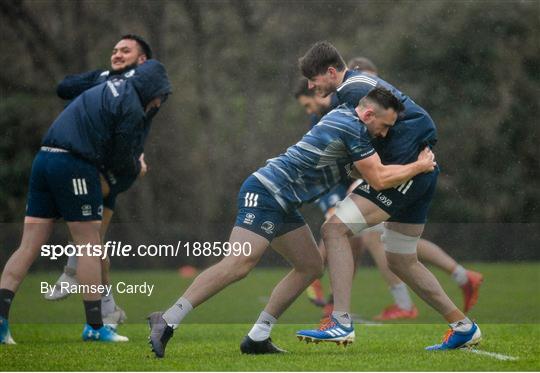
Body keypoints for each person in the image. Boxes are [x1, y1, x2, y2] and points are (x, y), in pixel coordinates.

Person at [147, 86, 435, 358]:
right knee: (239, 263)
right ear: (369, 115)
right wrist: (420, 166)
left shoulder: (349, 122)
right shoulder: (351, 127)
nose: (385, 134)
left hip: (284, 202)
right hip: (265, 193)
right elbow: (378, 178)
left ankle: (258, 336)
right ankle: (168, 319)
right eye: (384, 126)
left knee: (310, 265)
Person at [296, 41, 481, 350]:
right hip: (416, 170)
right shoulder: (358, 84)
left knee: (334, 229)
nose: (312, 86)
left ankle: (339, 322)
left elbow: (400, 135)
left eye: (314, 79)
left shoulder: (351, 94)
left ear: (331, 71)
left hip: (406, 171)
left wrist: (411, 162)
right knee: (400, 259)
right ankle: (463, 327)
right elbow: (412, 120)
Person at [0, 59, 171, 344]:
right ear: (155, 92)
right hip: (73, 164)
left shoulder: (111, 85)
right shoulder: (130, 107)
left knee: (28, 245)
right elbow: (119, 159)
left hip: (44, 158)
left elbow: (69, 91)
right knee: (89, 244)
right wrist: (135, 168)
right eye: (159, 99)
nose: (157, 105)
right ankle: (95, 326)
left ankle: (1, 322)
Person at [45, 34, 155, 328]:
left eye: (125, 51)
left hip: (111, 172)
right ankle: (106, 308)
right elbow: (63, 87)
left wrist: (137, 157)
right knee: (94, 245)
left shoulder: (144, 89)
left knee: (94, 244)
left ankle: (85, 288)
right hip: (87, 167)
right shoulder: (104, 79)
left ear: (142, 60)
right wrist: (102, 78)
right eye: (115, 50)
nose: (117, 54)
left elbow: (136, 129)